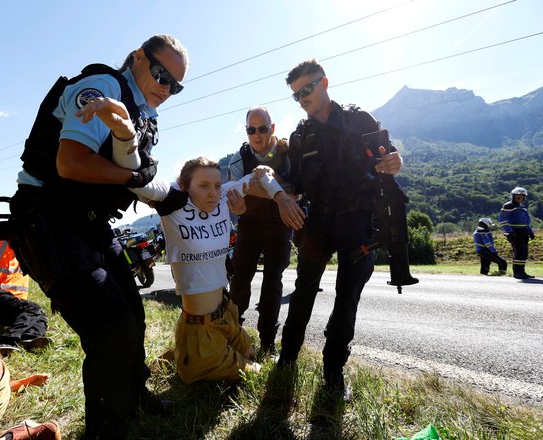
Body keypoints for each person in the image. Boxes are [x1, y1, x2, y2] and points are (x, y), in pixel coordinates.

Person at [6, 34, 188, 438]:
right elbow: (71, 163)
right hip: (49, 218)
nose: (166, 88)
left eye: (175, 85)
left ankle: (134, 394)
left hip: (91, 223)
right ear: (138, 57)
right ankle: (108, 428)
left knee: (134, 316)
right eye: (161, 73)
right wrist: (132, 175)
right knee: (109, 328)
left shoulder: (144, 116)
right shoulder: (104, 88)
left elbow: (134, 177)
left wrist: (166, 194)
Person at [105, 154, 304, 384]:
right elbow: (135, 181)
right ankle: (189, 354)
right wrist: (125, 136)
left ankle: (181, 355)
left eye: (217, 185)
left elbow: (261, 175)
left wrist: (280, 197)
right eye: (203, 185)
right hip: (200, 326)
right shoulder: (172, 201)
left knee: (252, 354)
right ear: (184, 186)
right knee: (256, 373)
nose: (213, 192)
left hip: (226, 314)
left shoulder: (223, 197)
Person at [276, 59, 402, 401]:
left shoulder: (358, 119)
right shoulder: (300, 137)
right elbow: (297, 184)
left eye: (306, 89)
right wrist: (277, 188)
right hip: (318, 223)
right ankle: (286, 359)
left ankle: (333, 372)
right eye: (295, 94)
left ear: (324, 82)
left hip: (359, 223)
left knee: (347, 299)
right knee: (303, 292)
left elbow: (387, 158)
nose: (302, 98)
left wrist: (395, 161)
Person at [227, 106, 294, 357]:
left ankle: (267, 342)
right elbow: (233, 194)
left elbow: (296, 190)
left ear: (272, 128)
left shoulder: (289, 153)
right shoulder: (238, 160)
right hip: (249, 225)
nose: (257, 135)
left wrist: (257, 187)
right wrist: (273, 191)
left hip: (280, 227)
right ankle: (234, 334)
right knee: (240, 280)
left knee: (272, 283)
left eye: (263, 129)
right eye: (251, 130)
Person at [499, 186, 535, 279]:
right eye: (517, 196)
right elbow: (503, 220)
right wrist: (510, 232)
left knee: (524, 252)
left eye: (521, 196)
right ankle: (517, 273)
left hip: (524, 232)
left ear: (524, 198)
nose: (519, 198)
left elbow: (526, 222)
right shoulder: (508, 205)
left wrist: (530, 232)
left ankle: (522, 271)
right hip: (515, 232)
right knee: (518, 252)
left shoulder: (522, 207)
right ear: (513, 196)